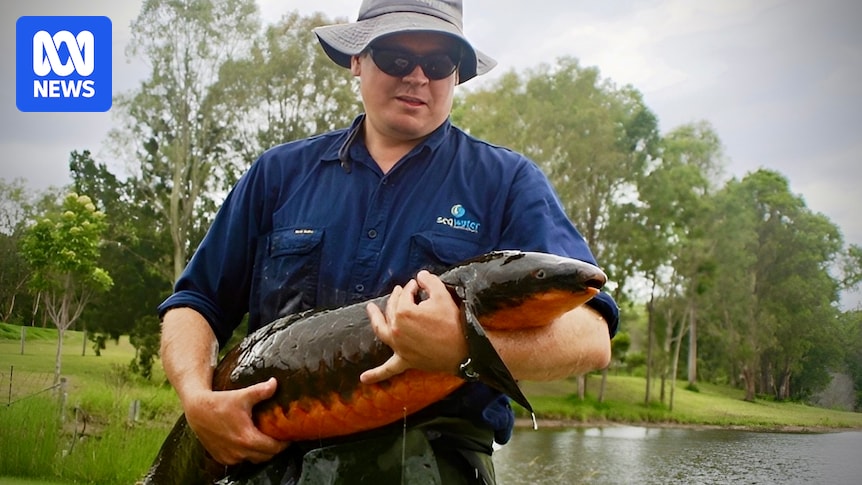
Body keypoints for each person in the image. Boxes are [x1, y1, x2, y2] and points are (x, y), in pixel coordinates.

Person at [157, 0, 619, 482]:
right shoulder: (277, 173)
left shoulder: (508, 182)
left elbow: (590, 337)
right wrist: (195, 399)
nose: (417, 75)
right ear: (358, 60)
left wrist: (463, 348)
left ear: (456, 74)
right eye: (397, 56)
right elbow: (196, 302)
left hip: (433, 467)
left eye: (438, 62)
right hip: (266, 466)